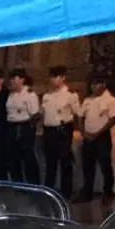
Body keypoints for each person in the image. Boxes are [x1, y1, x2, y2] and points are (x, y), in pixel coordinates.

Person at [77, 73, 115, 206]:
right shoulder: (87, 100)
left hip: (102, 137)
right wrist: (83, 132)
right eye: (92, 84)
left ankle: (108, 192)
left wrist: (98, 133)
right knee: (87, 166)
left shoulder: (111, 100)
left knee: (105, 166)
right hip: (88, 136)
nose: (93, 87)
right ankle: (87, 192)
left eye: (96, 84)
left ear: (103, 84)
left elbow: (113, 119)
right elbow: (80, 116)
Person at [40, 65, 79, 199]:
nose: (53, 80)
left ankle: (66, 193)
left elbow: (76, 113)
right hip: (49, 131)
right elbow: (43, 114)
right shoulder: (47, 95)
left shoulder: (70, 95)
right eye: (51, 77)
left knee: (65, 162)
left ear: (63, 78)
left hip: (62, 130)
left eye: (55, 77)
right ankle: (49, 192)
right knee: (50, 163)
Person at [5, 68, 41, 184]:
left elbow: (35, 114)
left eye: (15, 79)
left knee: (28, 158)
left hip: (25, 127)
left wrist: (28, 129)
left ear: (22, 79)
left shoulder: (30, 94)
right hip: (11, 127)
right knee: (13, 158)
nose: (12, 81)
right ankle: (17, 184)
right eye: (11, 79)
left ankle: (33, 184)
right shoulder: (10, 94)